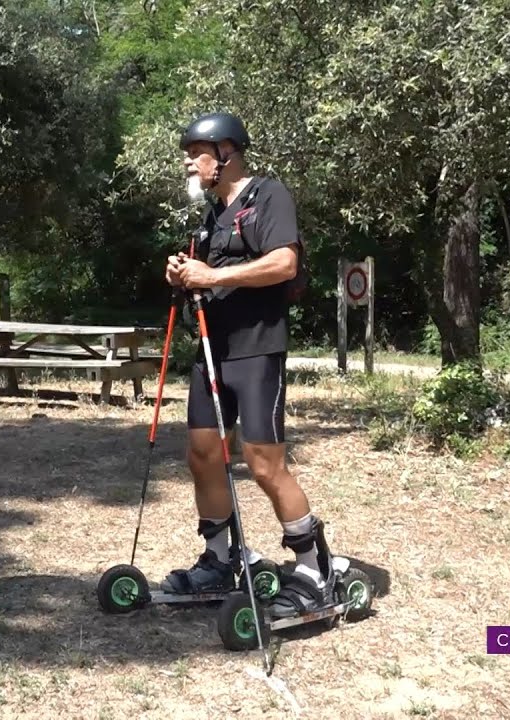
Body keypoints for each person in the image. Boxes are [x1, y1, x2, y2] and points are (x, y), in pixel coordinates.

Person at [161, 112, 336, 618]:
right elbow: (207, 274)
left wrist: (212, 276)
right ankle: (222, 559)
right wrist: (182, 274)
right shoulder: (211, 215)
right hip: (213, 348)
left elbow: (285, 263)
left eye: (197, 153)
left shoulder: (268, 195)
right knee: (202, 455)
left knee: (263, 463)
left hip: (257, 348)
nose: (190, 164)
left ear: (227, 153)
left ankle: (312, 569)